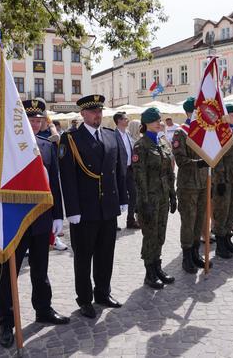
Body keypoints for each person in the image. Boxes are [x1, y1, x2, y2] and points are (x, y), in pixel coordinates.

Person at [0, 99, 69, 348]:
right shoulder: (7, 148)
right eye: (31, 119)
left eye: (39, 120)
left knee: (41, 269)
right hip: (14, 220)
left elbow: (54, 183)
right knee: (9, 274)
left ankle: (43, 308)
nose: (36, 124)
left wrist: (57, 215)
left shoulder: (47, 146)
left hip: (41, 219)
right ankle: (6, 322)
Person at [58, 94, 128, 318]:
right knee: (83, 256)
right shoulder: (71, 139)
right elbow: (67, 178)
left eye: (100, 111)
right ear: (83, 114)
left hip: (107, 206)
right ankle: (85, 299)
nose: (97, 115)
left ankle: (103, 292)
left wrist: (123, 198)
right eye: (92, 112)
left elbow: (118, 170)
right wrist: (72, 210)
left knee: (106, 253)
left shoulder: (110, 135)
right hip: (85, 210)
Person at [133, 107, 177, 289]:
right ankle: (149, 272)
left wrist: (173, 196)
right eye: (156, 121)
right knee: (150, 235)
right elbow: (138, 178)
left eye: (159, 120)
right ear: (146, 124)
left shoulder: (164, 143)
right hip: (149, 199)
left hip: (163, 197)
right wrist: (143, 203)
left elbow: (169, 173)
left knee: (160, 233)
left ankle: (157, 267)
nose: (160, 123)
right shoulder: (141, 146)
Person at [172, 97, 210, 272]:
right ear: (189, 112)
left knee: (199, 219)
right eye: (197, 110)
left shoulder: (203, 131)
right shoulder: (181, 132)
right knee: (188, 220)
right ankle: (186, 256)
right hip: (188, 185)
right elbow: (180, 159)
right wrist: (198, 163)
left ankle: (195, 252)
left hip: (202, 182)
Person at [211, 104, 233, 258]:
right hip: (224, 179)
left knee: (232, 211)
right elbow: (217, 159)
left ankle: (227, 240)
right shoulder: (219, 134)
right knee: (221, 212)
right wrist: (220, 181)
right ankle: (220, 245)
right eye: (231, 114)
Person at [114, 111, 141, 229]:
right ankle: (113, 222)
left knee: (134, 193)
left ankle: (130, 220)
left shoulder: (128, 134)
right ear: (119, 121)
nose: (127, 120)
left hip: (130, 169)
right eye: (125, 119)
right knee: (115, 196)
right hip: (118, 171)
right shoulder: (113, 135)